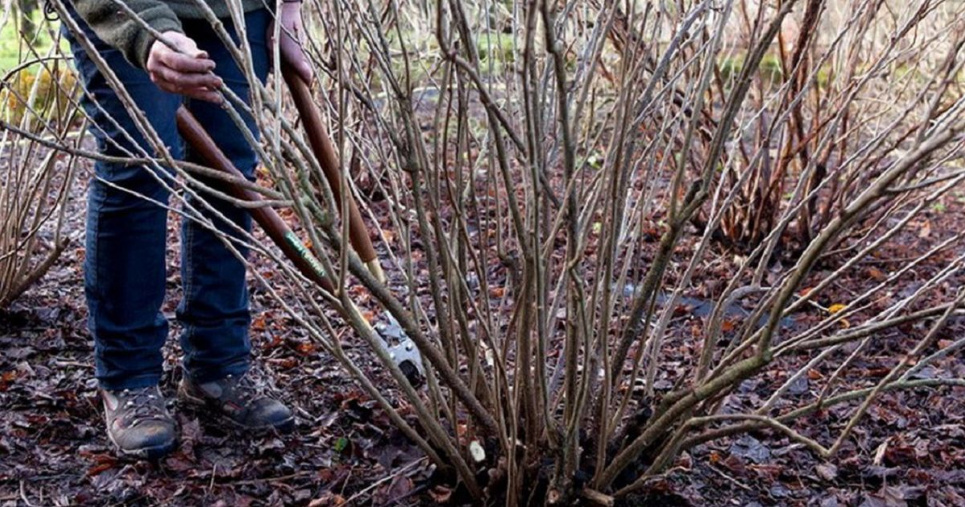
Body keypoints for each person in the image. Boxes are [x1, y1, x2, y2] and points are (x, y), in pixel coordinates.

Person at [63, 0, 314, 460]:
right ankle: (129, 376)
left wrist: (290, 4)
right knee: (139, 167)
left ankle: (218, 365)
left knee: (230, 171)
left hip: (238, 8)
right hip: (126, 8)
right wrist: (145, 31)